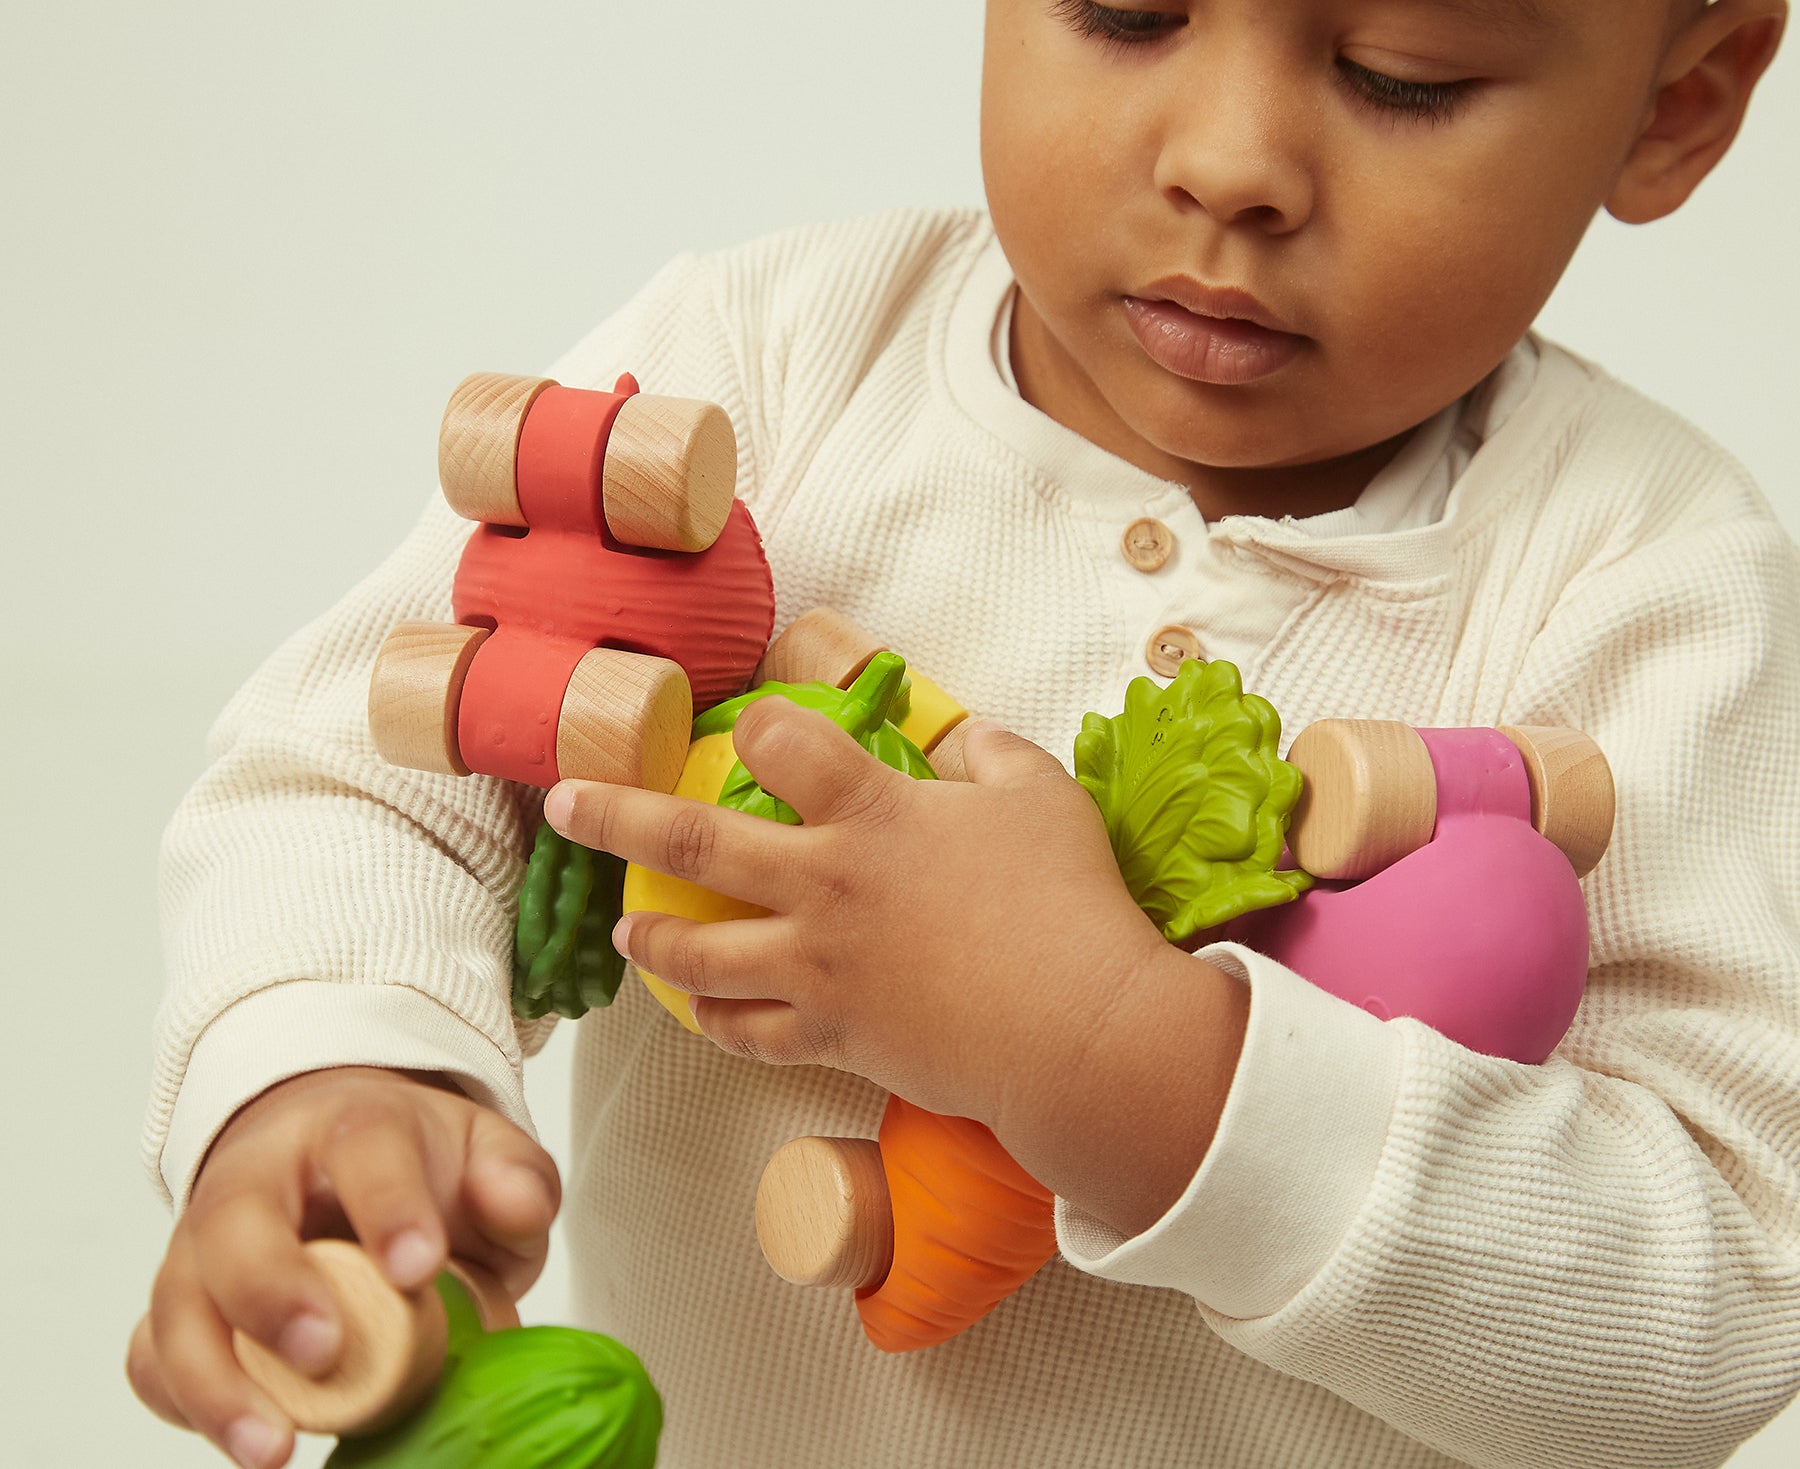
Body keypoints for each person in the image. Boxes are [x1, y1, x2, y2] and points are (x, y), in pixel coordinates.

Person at [130, 1, 1800, 1466]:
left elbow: (1724, 1289)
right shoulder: (764, 377)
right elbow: (359, 772)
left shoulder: (1651, 590)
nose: (1231, 163)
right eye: (1127, 10)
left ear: (1680, 100)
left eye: (1402, 73)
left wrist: (1113, 1053)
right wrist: (335, 1071)